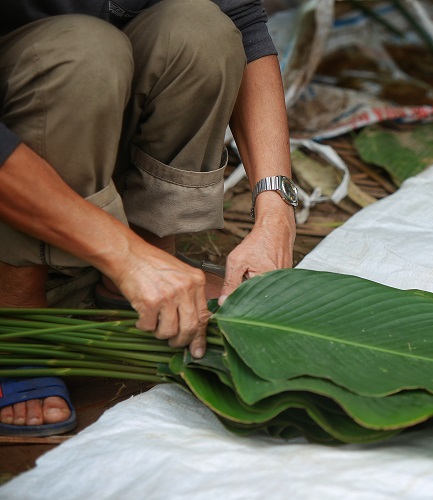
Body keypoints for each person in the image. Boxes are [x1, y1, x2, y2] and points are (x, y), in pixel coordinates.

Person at [0, 0, 297, 436]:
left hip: (96, 104)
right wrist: (125, 255)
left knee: (202, 30)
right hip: (35, 90)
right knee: (83, 52)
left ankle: (142, 268)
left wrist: (276, 213)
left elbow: (243, 22)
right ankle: (16, 306)